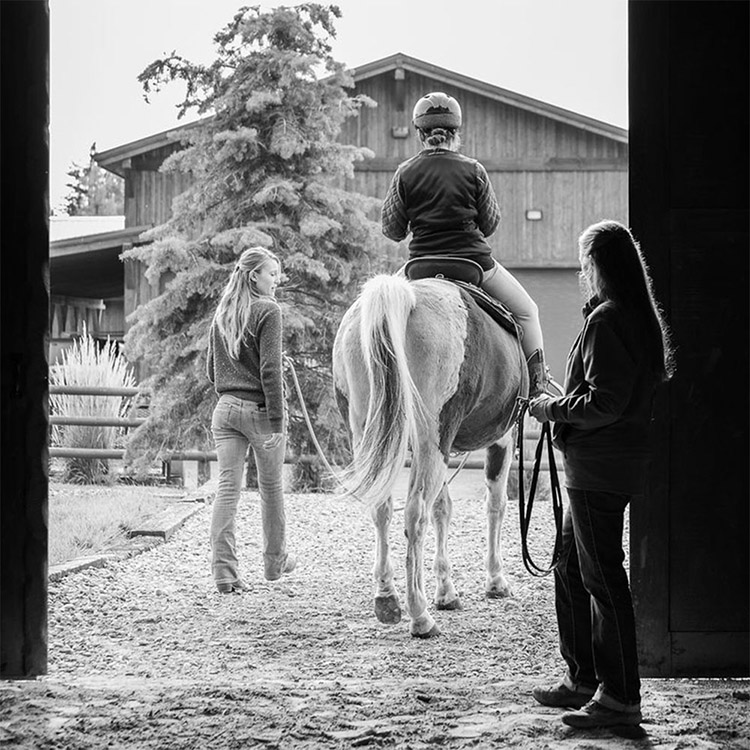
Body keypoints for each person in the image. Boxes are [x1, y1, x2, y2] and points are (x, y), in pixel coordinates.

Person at [528, 220, 674, 728]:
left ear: (598, 265)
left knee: (602, 578)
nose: (583, 272)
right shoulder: (632, 316)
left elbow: (605, 401)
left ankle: (620, 696)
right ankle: (583, 678)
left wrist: (553, 410)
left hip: (597, 468)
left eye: (586, 263)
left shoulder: (608, 319)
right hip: (609, 464)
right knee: (571, 569)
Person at [381, 91, 557, 397]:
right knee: (528, 311)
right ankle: (538, 386)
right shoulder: (474, 170)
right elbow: (490, 224)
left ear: (420, 134)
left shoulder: (404, 172)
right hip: (473, 266)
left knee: (381, 318)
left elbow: (392, 230)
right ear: (455, 133)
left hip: (420, 267)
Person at [206, 246, 296, 594]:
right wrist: (278, 422)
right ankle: (274, 564)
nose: (277, 280)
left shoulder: (223, 312)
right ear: (254, 275)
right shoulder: (268, 310)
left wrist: (235, 379)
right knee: (271, 489)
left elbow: (211, 371)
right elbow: (270, 371)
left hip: (225, 410)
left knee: (227, 491)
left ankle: (224, 575)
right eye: (272, 273)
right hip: (259, 412)